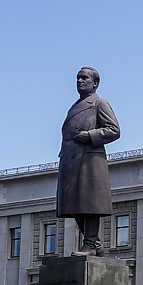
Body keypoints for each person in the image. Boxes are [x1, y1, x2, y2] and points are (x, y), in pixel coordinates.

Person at [56, 66, 121, 257]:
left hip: (89, 161)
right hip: (70, 162)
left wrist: (90, 135)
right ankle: (95, 244)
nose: (80, 81)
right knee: (74, 205)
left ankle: (90, 243)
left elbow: (114, 130)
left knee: (88, 204)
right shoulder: (75, 105)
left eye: (84, 78)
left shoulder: (99, 103)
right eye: (78, 78)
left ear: (95, 83)